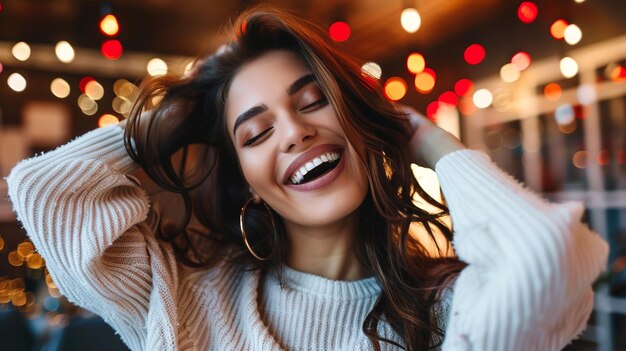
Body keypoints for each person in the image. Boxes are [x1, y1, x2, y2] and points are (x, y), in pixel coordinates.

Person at [6, 5, 608, 351]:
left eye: (315, 101)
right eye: (256, 133)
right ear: (242, 177)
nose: (294, 132)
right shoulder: (186, 298)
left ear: (360, 121)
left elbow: (548, 257)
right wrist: (185, 112)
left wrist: (429, 141)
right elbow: (47, 189)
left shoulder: (447, 310)